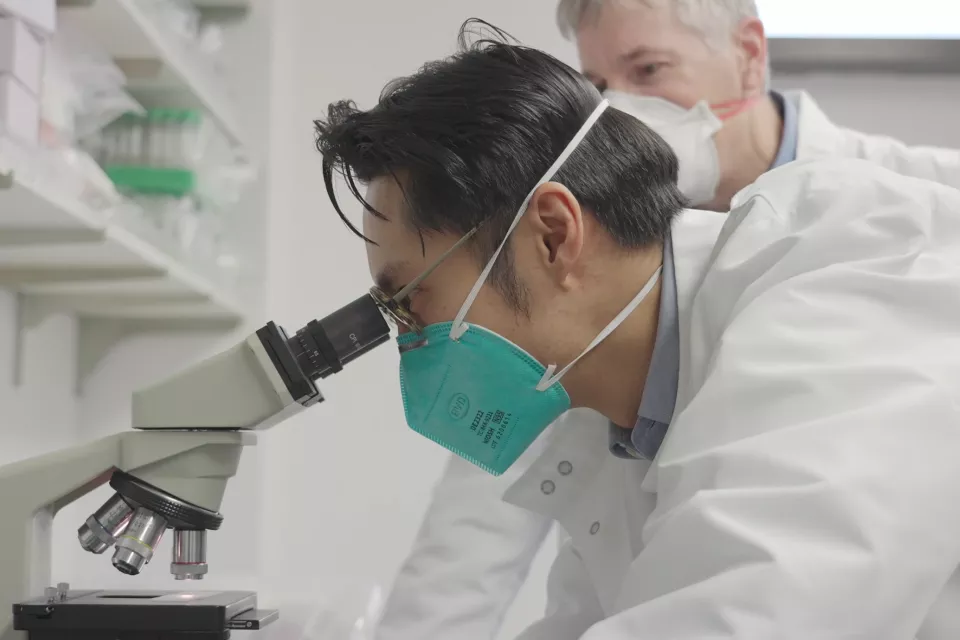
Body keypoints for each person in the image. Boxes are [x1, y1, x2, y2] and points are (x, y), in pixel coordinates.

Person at [315, 21, 960, 639]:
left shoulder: (829, 292)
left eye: (412, 296)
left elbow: (753, 614)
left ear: (554, 235)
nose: (409, 337)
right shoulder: (619, 420)